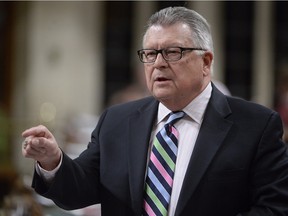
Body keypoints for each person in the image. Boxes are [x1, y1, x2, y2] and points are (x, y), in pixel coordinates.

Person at [22, 6, 288, 216]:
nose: (158, 64)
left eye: (173, 52)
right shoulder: (117, 121)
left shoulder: (257, 125)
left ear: (206, 62)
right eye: (150, 54)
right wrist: (53, 161)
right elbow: (78, 191)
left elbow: (275, 208)